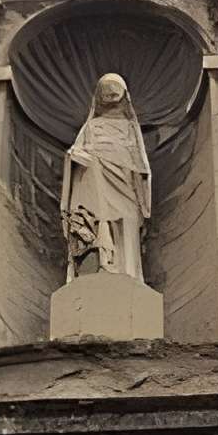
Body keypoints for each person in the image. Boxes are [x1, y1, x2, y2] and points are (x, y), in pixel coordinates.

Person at [61, 73, 152, 283]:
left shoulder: (130, 127)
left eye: (114, 93)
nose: (111, 97)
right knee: (98, 222)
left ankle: (128, 272)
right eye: (107, 92)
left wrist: (141, 187)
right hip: (96, 180)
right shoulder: (91, 126)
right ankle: (100, 264)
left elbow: (140, 162)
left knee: (127, 222)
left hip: (125, 183)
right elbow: (76, 152)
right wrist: (77, 157)